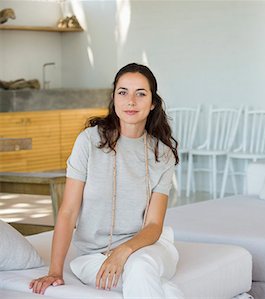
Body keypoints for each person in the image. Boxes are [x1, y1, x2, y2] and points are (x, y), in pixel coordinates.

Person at [29, 63, 183, 298]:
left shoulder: (162, 155)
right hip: (93, 257)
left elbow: (153, 225)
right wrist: (54, 271)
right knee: (156, 287)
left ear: (153, 103)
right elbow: (68, 212)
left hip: (148, 248)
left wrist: (123, 252)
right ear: (114, 98)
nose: (131, 101)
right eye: (123, 92)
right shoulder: (89, 142)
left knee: (140, 267)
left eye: (140, 93)